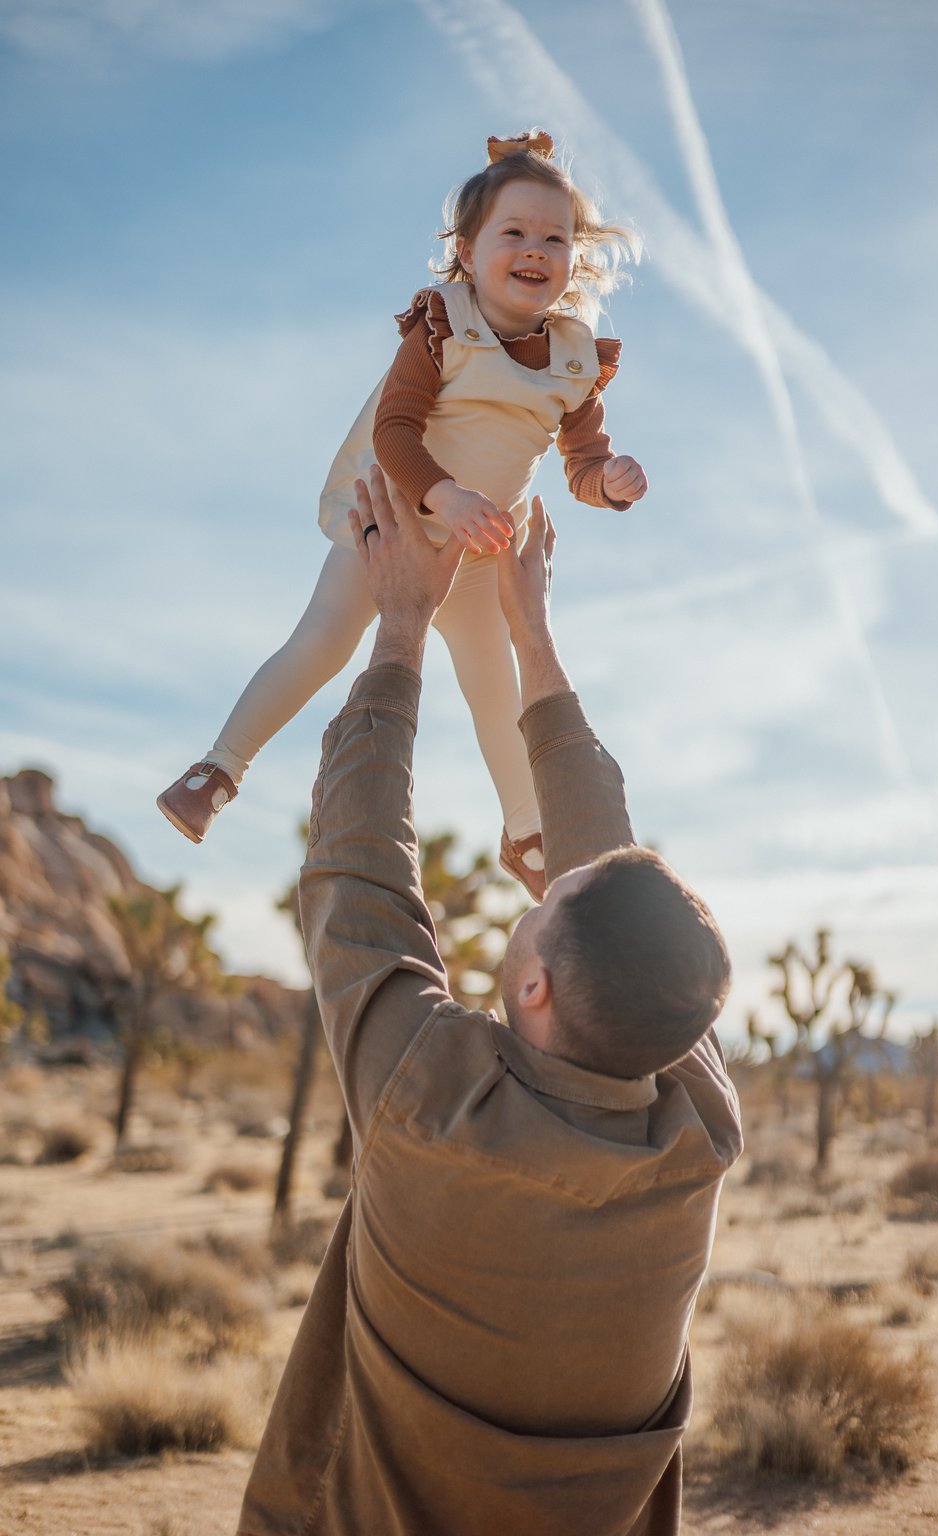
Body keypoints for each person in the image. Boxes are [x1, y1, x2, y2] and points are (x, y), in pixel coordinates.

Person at [235, 468, 743, 1536]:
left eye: (542, 903)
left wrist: (403, 623)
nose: (539, 880)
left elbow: (354, 868)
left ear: (534, 986)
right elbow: (606, 879)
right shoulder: (695, 1130)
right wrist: (530, 631)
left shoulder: (431, 1100)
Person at [157, 129, 647, 899]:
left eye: (553, 237)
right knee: (322, 640)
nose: (534, 249)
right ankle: (218, 767)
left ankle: (527, 836)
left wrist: (609, 481)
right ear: (467, 249)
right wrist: (441, 494)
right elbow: (395, 429)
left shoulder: (575, 360)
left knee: (495, 687)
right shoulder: (441, 326)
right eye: (513, 232)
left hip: (481, 555)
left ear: (573, 260)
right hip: (392, 524)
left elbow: (581, 462)